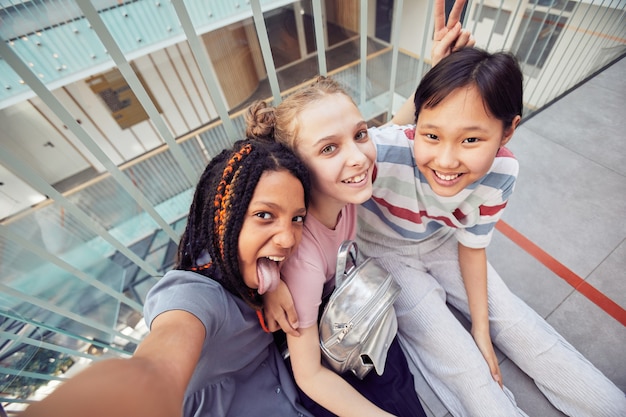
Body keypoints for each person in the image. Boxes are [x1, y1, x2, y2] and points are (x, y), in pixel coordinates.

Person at [356, 47, 626, 417]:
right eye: (431, 135)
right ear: (415, 124)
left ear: (508, 130)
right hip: (385, 256)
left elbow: (473, 246)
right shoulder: (381, 153)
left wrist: (482, 328)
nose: (447, 160)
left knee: (516, 324)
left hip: (442, 243)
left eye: (471, 140)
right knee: (463, 365)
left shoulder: (503, 172)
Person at [22, 138, 318, 417]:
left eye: (297, 218)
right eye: (265, 215)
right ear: (224, 219)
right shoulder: (194, 296)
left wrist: (273, 286)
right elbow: (155, 366)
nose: (288, 239)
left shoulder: (252, 267)